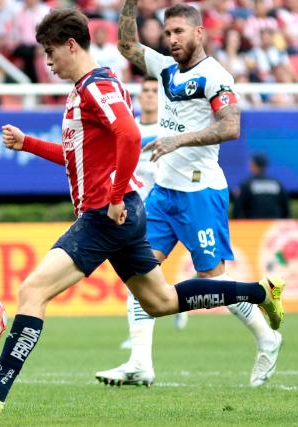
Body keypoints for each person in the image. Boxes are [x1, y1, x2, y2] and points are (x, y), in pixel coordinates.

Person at [0, 8, 286, 420]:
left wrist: (112, 196)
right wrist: (28, 144)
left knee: (32, 292)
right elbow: (77, 157)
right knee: (160, 301)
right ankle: (260, 292)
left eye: (51, 53)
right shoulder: (85, 89)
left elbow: (127, 133)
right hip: (120, 211)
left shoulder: (98, 86)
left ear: (71, 45)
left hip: (105, 215)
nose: (48, 63)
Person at [95, 1, 283, 389]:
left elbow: (231, 126)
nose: (171, 39)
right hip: (164, 194)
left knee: (214, 281)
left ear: (199, 33)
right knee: (138, 273)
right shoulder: (165, 69)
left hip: (201, 192)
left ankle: (268, 338)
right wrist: (130, 5)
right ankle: (140, 364)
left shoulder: (216, 75)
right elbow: (128, 47)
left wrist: (178, 140)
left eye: (179, 32)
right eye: (167, 33)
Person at [118, 76, 188, 353]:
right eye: (144, 91)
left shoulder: (168, 131)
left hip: (169, 208)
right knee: (139, 278)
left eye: (152, 91)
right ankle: (139, 343)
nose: (148, 95)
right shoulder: (131, 130)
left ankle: (177, 301)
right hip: (139, 213)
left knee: (212, 273)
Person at [233, 153, 290, 219]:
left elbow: (237, 209)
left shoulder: (246, 185)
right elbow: (286, 208)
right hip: (273, 226)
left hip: (253, 226)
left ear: (253, 165)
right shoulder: (277, 184)